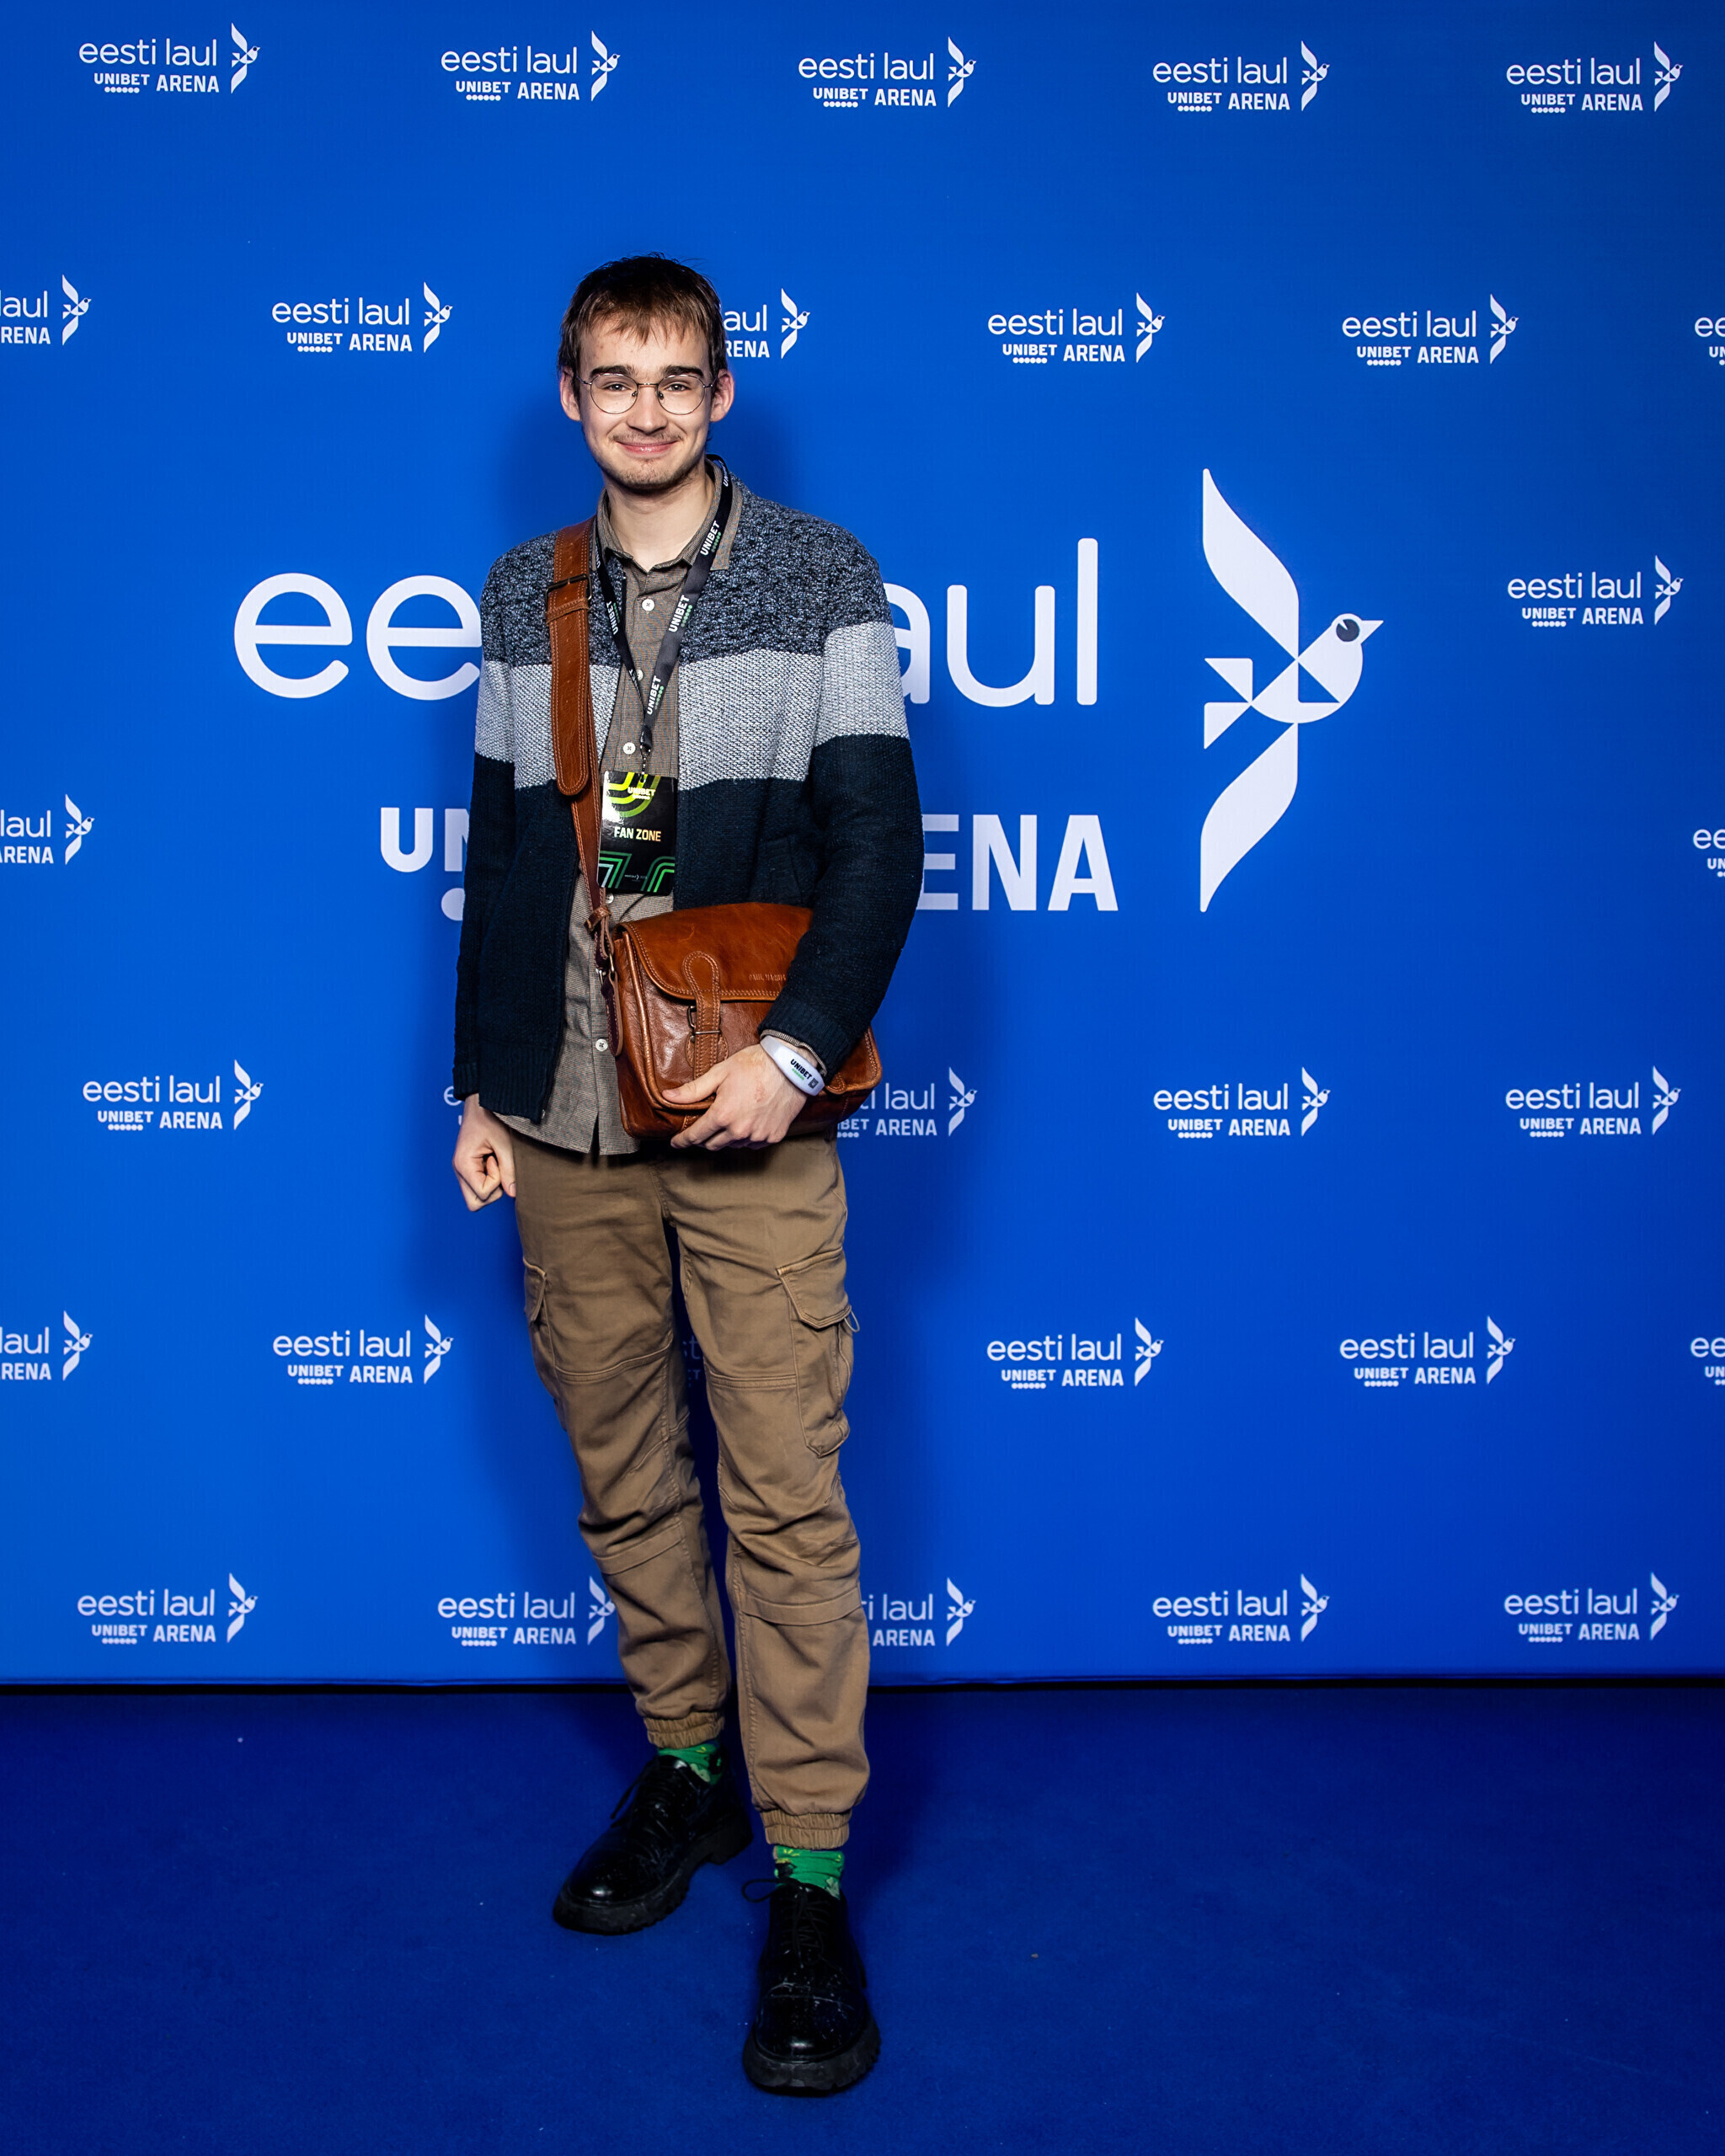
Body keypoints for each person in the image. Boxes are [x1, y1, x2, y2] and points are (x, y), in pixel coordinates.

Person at [451, 256, 922, 2094]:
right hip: (565, 1116)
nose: (644, 409)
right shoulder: (527, 592)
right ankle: (691, 1765)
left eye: (676, 379)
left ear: (720, 394)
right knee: (627, 1474)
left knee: (786, 1502)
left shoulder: (821, 574)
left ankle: (806, 1875)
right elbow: (502, 858)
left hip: (747, 1113)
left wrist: (790, 1054)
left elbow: (880, 842)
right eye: (613, 380)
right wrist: (479, 1089)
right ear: (570, 396)